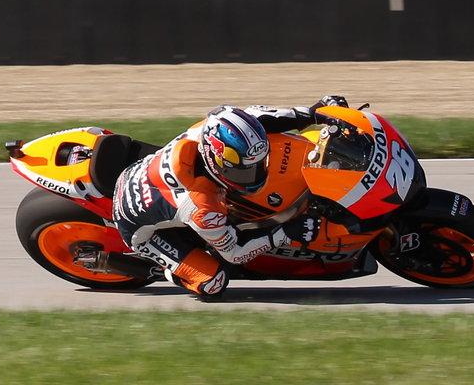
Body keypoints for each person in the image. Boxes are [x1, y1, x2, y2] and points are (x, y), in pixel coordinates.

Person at [109, 96, 350, 298]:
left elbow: (261, 117)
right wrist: (286, 233)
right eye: (241, 171)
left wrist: (316, 113)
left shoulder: (218, 127)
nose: (254, 176)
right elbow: (235, 253)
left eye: (257, 165)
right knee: (213, 282)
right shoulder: (201, 205)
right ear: (214, 160)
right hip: (138, 227)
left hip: (147, 175)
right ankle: (165, 271)